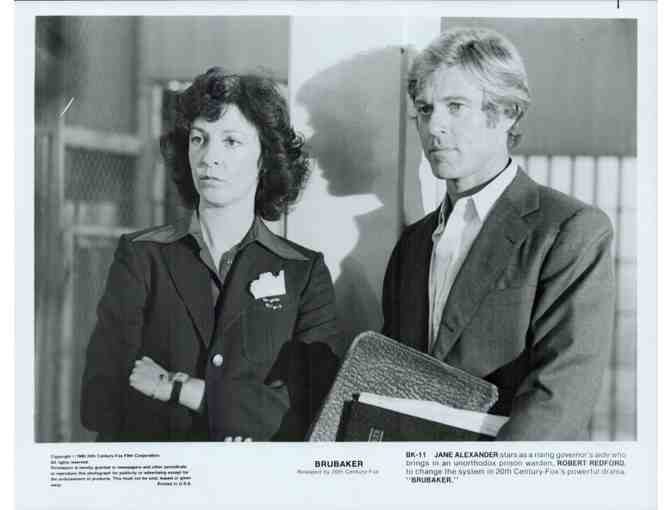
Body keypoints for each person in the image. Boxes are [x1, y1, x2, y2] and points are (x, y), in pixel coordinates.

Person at [81, 68, 340, 442]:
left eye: (231, 141)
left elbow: (311, 410)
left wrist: (182, 389)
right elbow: (99, 399)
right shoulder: (141, 257)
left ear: (265, 158)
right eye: (199, 139)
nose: (208, 157)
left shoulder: (304, 273)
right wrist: (245, 411)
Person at [382, 27, 615, 440]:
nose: (434, 126)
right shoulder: (413, 244)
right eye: (424, 108)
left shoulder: (570, 230)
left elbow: (557, 402)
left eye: (455, 106)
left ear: (507, 113)